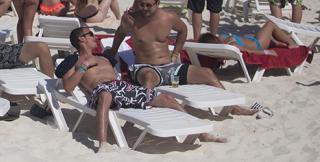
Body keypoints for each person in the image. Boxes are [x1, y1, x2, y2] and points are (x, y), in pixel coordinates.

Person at [60, 26, 225, 152]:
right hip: (100, 91)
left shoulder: (103, 57)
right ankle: (103, 143)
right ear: (82, 39)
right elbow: (68, 87)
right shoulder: (74, 62)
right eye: (90, 34)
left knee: (166, 99)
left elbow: (120, 76)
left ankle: (202, 134)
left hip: (122, 88)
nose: (94, 37)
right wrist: (83, 68)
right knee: (105, 94)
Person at [107, 0, 257, 116]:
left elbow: (183, 30)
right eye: (141, 4)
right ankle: (147, 115)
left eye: (148, 5)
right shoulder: (131, 19)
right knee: (148, 77)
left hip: (170, 69)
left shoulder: (168, 17)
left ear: (158, 4)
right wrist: (113, 52)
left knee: (208, 73)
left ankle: (232, 107)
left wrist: (175, 53)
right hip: (145, 68)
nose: (144, 8)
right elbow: (120, 33)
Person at [198, 20, 297, 54]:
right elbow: (250, 51)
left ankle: (280, 41)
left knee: (276, 33)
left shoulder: (222, 41)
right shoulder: (232, 45)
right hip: (259, 44)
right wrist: (267, 52)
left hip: (253, 39)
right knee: (270, 24)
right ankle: (291, 42)